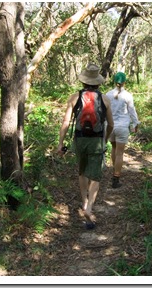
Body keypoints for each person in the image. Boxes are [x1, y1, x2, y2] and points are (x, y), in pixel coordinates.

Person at [57, 63, 114, 230]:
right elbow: (111, 123)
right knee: (95, 176)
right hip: (97, 140)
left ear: (83, 81)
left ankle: (83, 203)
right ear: (98, 82)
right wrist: (106, 139)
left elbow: (66, 121)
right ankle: (89, 207)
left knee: (82, 172)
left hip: (79, 140)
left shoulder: (75, 97)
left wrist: (61, 143)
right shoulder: (105, 99)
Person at [105, 72, 140, 188]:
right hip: (122, 127)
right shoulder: (127, 96)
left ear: (114, 81)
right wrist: (136, 123)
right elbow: (132, 111)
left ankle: (114, 171)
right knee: (120, 153)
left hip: (110, 127)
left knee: (114, 148)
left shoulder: (108, 95)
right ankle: (116, 177)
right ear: (124, 82)